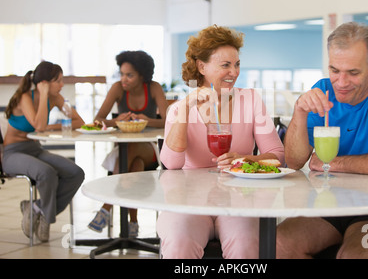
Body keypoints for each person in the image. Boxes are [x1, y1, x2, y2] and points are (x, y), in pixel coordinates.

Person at [277, 22, 368, 259]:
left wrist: (333, 163)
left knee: (354, 254)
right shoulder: (322, 91)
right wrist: (300, 112)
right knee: (278, 244)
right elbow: (293, 161)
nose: (341, 83)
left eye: (353, 73)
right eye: (334, 70)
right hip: (330, 207)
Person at [158, 25, 285, 258]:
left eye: (237, 64)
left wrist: (246, 159)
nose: (234, 72)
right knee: (179, 242)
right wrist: (186, 109)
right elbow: (172, 164)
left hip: (239, 198)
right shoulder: (179, 108)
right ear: (201, 66)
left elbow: (277, 155)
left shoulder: (251, 100)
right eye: (225, 65)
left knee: (246, 243)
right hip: (188, 200)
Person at [88, 50, 168, 238]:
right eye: (122, 74)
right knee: (135, 166)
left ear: (142, 76)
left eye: (129, 75)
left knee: (134, 154)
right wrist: (116, 121)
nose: (124, 79)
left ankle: (106, 207)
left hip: (149, 146)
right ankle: (133, 223)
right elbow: (98, 120)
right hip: (126, 149)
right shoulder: (117, 88)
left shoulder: (154, 88)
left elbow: (167, 121)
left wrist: (146, 120)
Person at [2, 61, 85, 242]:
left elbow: (80, 121)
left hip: (35, 149)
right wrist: (44, 94)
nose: (62, 85)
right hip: (12, 153)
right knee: (46, 173)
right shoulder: (25, 97)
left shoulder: (55, 99)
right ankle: (47, 217)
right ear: (44, 83)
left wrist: (53, 126)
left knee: (76, 173)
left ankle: (37, 208)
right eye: (58, 81)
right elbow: (39, 126)